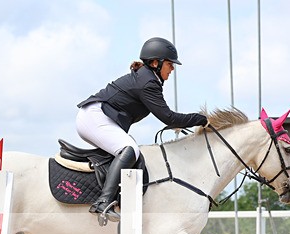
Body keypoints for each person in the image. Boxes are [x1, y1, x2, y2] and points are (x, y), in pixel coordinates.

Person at [76, 37, 209, 223]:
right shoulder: (148, 83)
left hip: (97, 116)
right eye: (170, 64)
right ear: (156, 63)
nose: (172, 69)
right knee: (129, 150)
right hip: (94, 117)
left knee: (130, 150)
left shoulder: (147, 77)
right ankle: (103, 201)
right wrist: (201, 119)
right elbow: (168, 118)